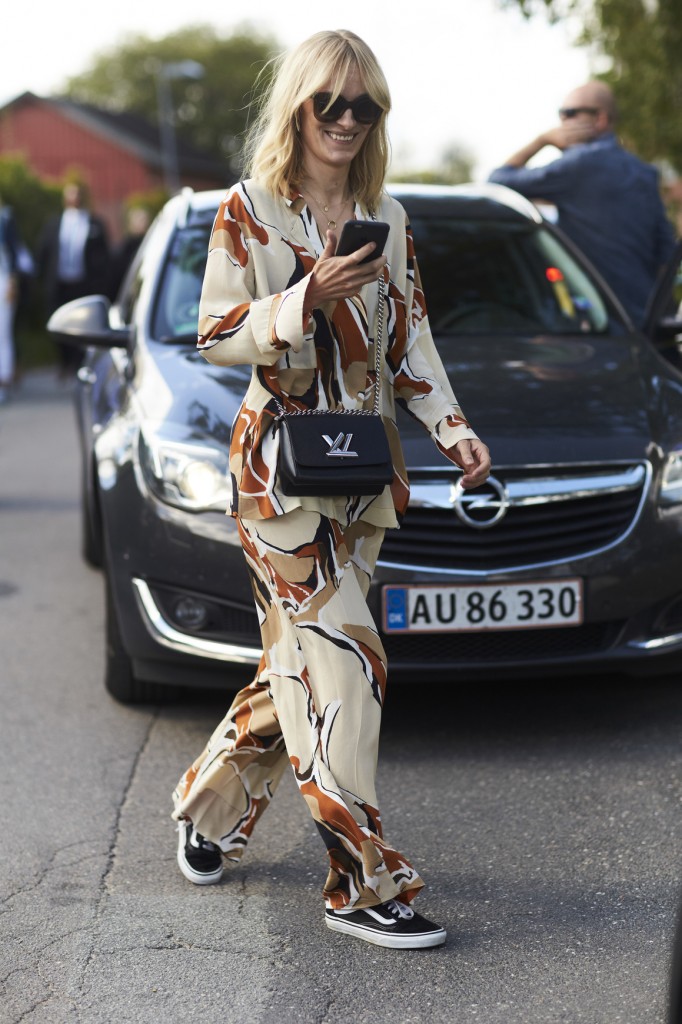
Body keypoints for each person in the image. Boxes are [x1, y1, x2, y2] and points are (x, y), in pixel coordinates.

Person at [171, 28, 491, 951]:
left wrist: (456, 431)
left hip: (362, 483)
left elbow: (412, 343)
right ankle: (361, 884)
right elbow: (216, 332)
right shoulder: (249, 209)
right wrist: (305, 298)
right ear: (299, 107)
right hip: (278, 481)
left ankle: (205, 807)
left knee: (299, 673)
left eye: (366, 106)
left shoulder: (384, 217)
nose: (348, 121)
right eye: (332, 104)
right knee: (349, 666)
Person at [488, 80, 677, 328]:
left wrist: (542, 140)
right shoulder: (644, 172)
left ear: (600, 119)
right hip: (647, 323)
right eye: (561, 115)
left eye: (570, 114)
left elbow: (498, 181)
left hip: (598, 324)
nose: (562, 123)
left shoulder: (579, 165)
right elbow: (666, 255)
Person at [37, 182, 110, 376]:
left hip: (83, 284)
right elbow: (43, 254)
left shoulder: (93, 223)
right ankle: (65, 361)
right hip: (60, 284)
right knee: (58, 322)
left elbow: (103, 258)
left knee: (83, 324)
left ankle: (79, 362)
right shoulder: (54, 223)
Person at [0, 197, 20, 403]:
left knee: (3, 332)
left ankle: (4, 380)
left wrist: (12, 282)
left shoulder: (5, 218)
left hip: (3, 280)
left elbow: (14, 252)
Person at [108, 205, 151, 299]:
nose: (143, 223)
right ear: (131, 223)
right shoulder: (123, 249)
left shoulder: (153, 245)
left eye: (144, 219)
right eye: (139, 219)